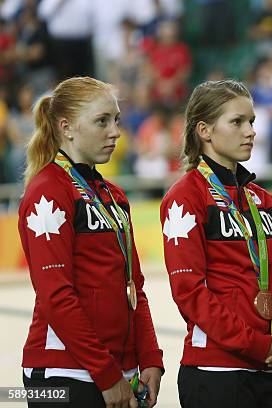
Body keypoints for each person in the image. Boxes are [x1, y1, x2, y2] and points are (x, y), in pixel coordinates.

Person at [160, 80, 272, 408]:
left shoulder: (264, 200)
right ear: (204, 130)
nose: (250, 132)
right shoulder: (185, 197)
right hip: (216, 370)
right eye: (237, 122)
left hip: (269, 369)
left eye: (252, 122)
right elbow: (189, 292)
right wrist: (256, 344)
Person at [18, 77, 164, 408]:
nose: (115, 132)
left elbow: (134, 287)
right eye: (102, 121)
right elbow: (56, 295)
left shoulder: (114, 196)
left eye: (116, 120)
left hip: (117, 371)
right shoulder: (47, 192)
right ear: (67, 127)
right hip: (64, 372)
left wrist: (151, 357)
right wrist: (106, 374)